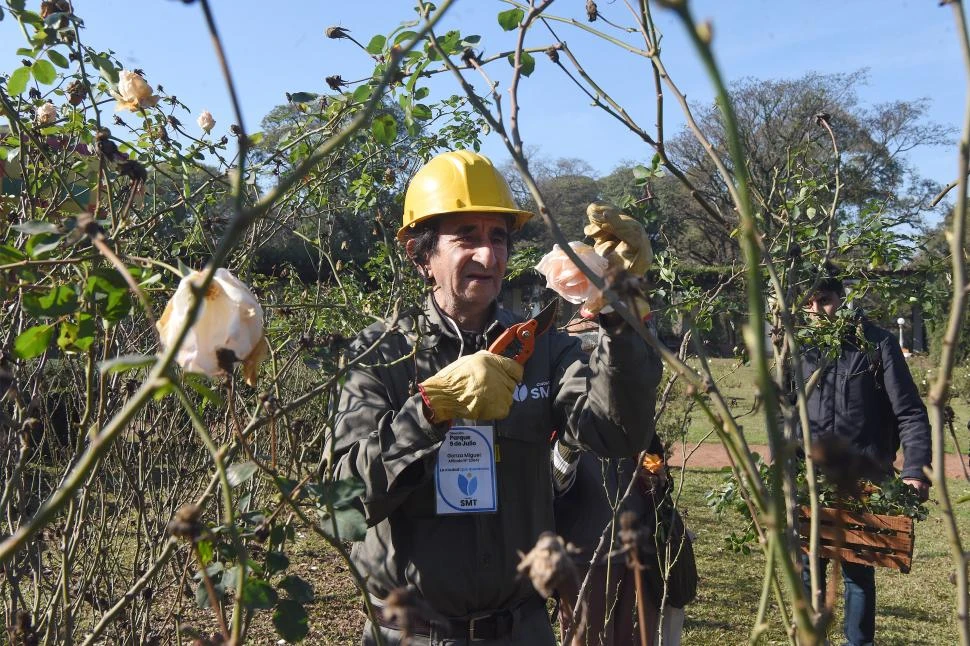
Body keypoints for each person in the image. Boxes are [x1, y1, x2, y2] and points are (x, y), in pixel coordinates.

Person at [329, 150, 662, 645]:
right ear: (421, 254)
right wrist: (428, 409)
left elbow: (613, 431)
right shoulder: (380, 354)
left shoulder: (543, 346)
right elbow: (343, 506)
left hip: (519, 630)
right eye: (467, 237)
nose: (488, 256)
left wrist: (622, 316)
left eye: (498, 237)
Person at [794, 271, 931, 646]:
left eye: (824, 300)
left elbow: (910, 413)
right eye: (809, 303)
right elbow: (783, 411)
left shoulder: (878, 344)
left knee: (857, 572)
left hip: (864, 478)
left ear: (841, 298)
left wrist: (915, 470)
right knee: (808, 567)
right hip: (812, 478)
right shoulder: (799, 348)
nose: (817, 310)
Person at [552, 326, 693, 646]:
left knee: (632, 635)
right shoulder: (566, 411)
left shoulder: (630, 412)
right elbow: (554, 481)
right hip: (585, 550)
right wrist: (572, 442)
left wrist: (653, 471)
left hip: (636, 544)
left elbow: (656, 466)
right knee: (588, 635)